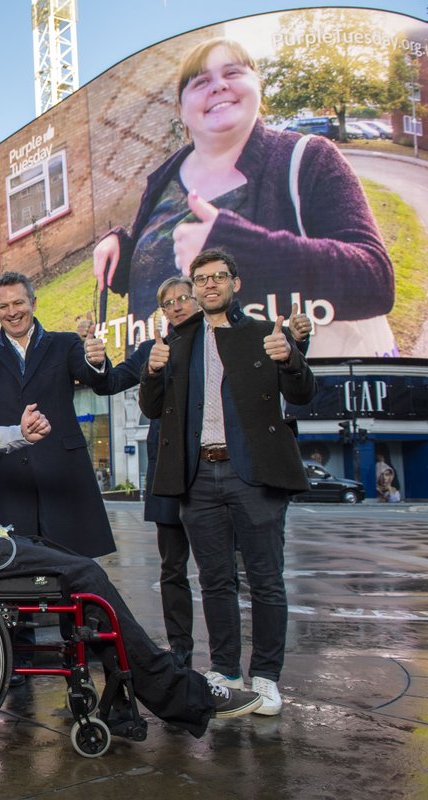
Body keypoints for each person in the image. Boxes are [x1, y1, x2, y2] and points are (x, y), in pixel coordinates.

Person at [0, 329, 264, 741]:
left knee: (82, 576)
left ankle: (134, 698)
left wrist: (19, 435)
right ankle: (182, 694)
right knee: (85, 577)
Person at [93, 36, 396, 358]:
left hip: (272, 395)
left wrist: (237, 247)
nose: (219, 86)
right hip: (168, 394)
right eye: (201, 81)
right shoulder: (163, 179)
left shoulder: (309, 159)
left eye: (233, 73)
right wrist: (124, 248)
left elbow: (374, 279)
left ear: (258, 86)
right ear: (181, 109)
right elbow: (160, 278)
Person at [140, 248, 316, 716]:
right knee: (215, 581)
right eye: (202, 278)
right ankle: (225, 672)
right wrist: (152, 372)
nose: (210, 284)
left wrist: (291, 359)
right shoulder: (178, 343)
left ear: (234, 283)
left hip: (253, 474)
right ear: (194, 287)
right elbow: (152, 409)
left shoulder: (262, 335)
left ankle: (267, 677)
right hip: (199, 476)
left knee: (265, 580)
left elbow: (301, 393)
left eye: (219, 276)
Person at [103, 277, 315, 666]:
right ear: (162, 313)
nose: (178, 306)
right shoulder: (157, 349)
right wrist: (98, 359)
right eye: (168, 303)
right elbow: (115, 381)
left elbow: (275, 372)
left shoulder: (224, 341)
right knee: (173, 567)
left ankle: (250, 668)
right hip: (173, 472)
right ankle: (182, 648)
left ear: (200, 299)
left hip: (229, 472)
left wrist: (298, 343)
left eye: (184, 297)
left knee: (237, 571)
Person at [0, 271, 115, 559]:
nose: (12, 312)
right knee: (13, 568)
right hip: (9, 478)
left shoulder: (65, 344)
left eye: (18, 303)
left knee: (74, 569)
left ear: (33, 302)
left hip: (62, 473)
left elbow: (100, 382)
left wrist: (97, 361)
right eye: (3, 307)